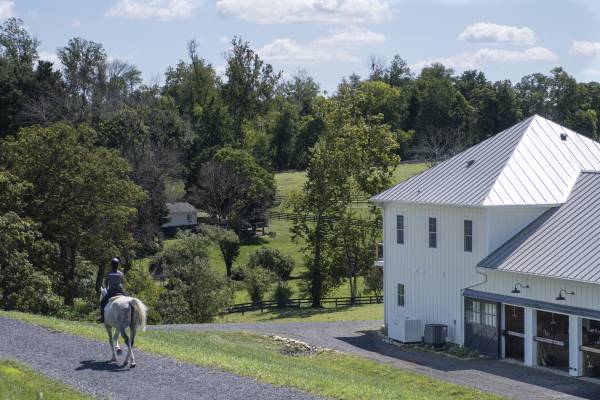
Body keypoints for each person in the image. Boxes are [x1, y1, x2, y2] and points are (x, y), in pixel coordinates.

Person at [97, 257, 127, 323]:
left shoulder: (108, 273)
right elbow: (122, 282)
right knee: (128, 300)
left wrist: (107, 290)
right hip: (120, 291)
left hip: (111, 292)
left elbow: (106, 283)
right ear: (118, 265)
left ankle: (102, 317)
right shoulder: (121, 274)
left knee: (102, 303)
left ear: (111, 265)